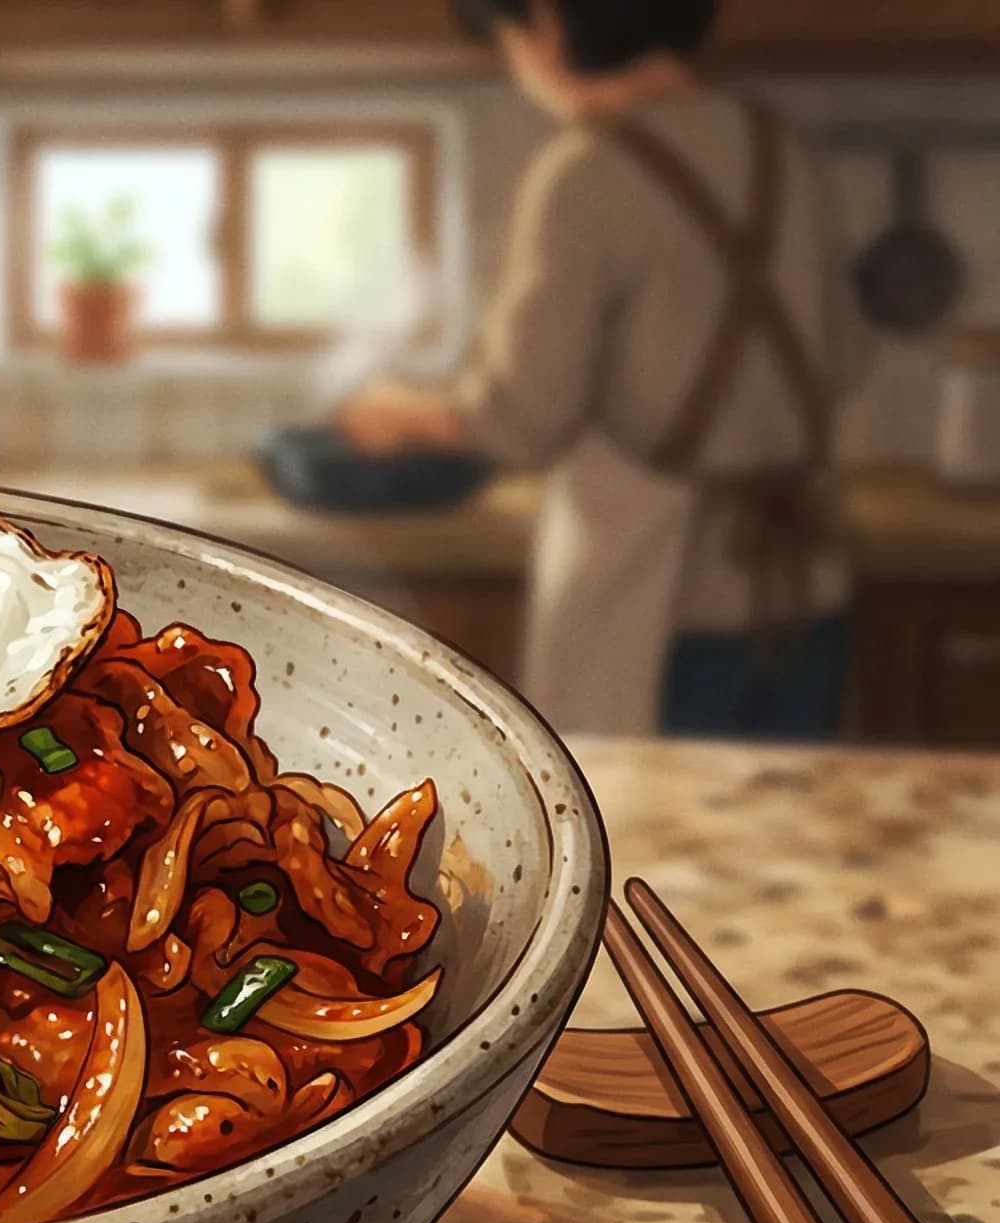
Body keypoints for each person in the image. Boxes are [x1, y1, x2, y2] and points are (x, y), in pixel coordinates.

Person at [338, 0, 871, 739]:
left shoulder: (584, 173)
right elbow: (846, 360)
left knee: (648, 843)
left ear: (548, 25)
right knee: (785, 841)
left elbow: (522, 420)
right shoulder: (782, 151)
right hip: (804, 589)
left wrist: (409, 414)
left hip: (662, 604)